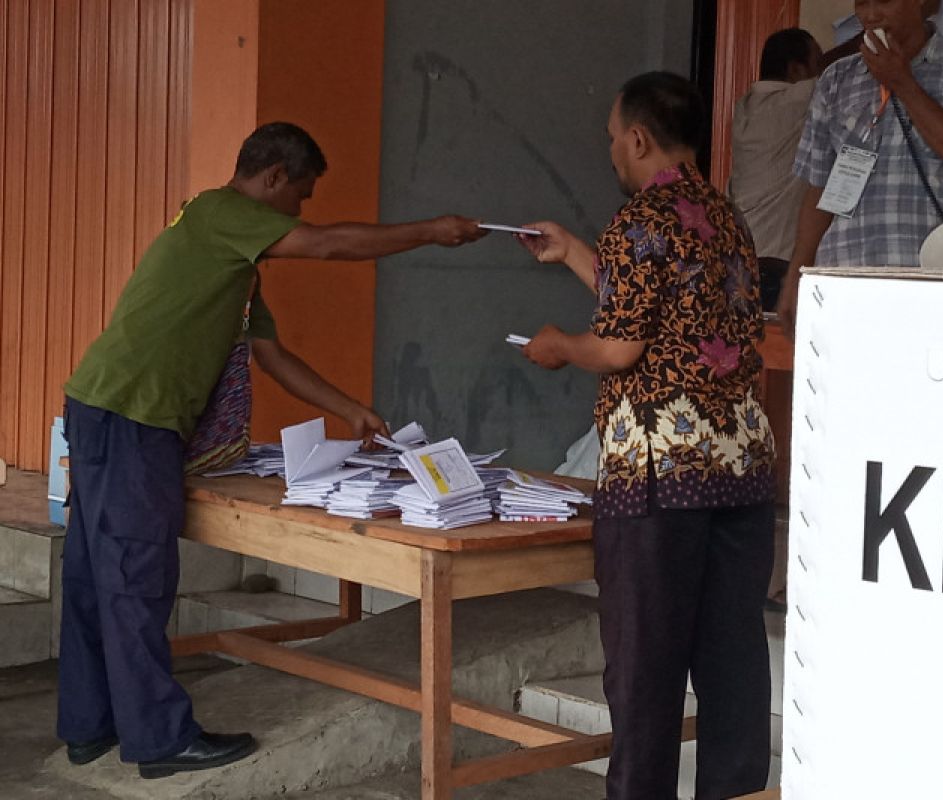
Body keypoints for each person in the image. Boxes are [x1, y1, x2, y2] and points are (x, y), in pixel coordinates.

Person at [57, 122, 486, 778]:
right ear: (275, 178)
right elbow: (328, 245)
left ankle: (90, 726)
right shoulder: (223, 211)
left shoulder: (230, 256)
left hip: (106, 406)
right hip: (133, 416)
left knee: (97, 575)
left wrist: (348, 409)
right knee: (135, 580)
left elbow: (270, 354)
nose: (302, 211)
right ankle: (158, 738)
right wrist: (430, 231)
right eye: (303, 194)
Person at [516, 72, 777, 800]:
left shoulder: (641, 219)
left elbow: (621, 347)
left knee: (644, 672)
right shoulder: (728, 219)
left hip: (661, 476)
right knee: (732, 662)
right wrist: (573, 251)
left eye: (611, 138)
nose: (610, 152)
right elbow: (653, 309)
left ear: (637, 138)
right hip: (741, 470)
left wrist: (562, 345)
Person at [776, 0, 943, 333]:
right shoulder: (836, 77)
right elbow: (819, 186)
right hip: (844, 281)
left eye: (884, 1)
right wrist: (797, 275)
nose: (870, 15)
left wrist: (901, 81)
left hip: (930, 282)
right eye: (862, 2)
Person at [729, 28, 824, 311]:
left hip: (740, 263)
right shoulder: (793, 102)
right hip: (775, 267)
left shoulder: (744, 107)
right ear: (796, 68)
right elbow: (839, 70)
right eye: (815, 63)